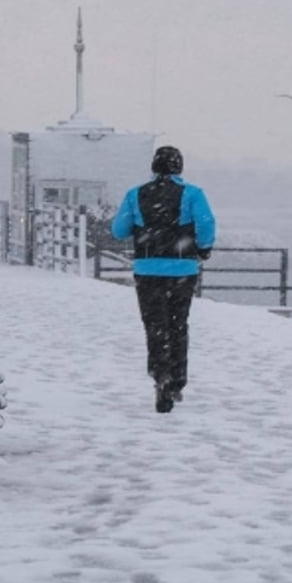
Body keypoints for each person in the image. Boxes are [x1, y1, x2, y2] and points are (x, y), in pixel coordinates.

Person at [111, 145, 217, 413]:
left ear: (154, 167)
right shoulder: (193, 194)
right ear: (179, 167)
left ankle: (160, 375)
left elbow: (119, 229)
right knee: (178, 324)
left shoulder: (135, 194)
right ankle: (177, 381)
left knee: (154, 325)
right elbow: (206, 223)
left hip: (147, 270)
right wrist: (203, 248)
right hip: (182, 270)